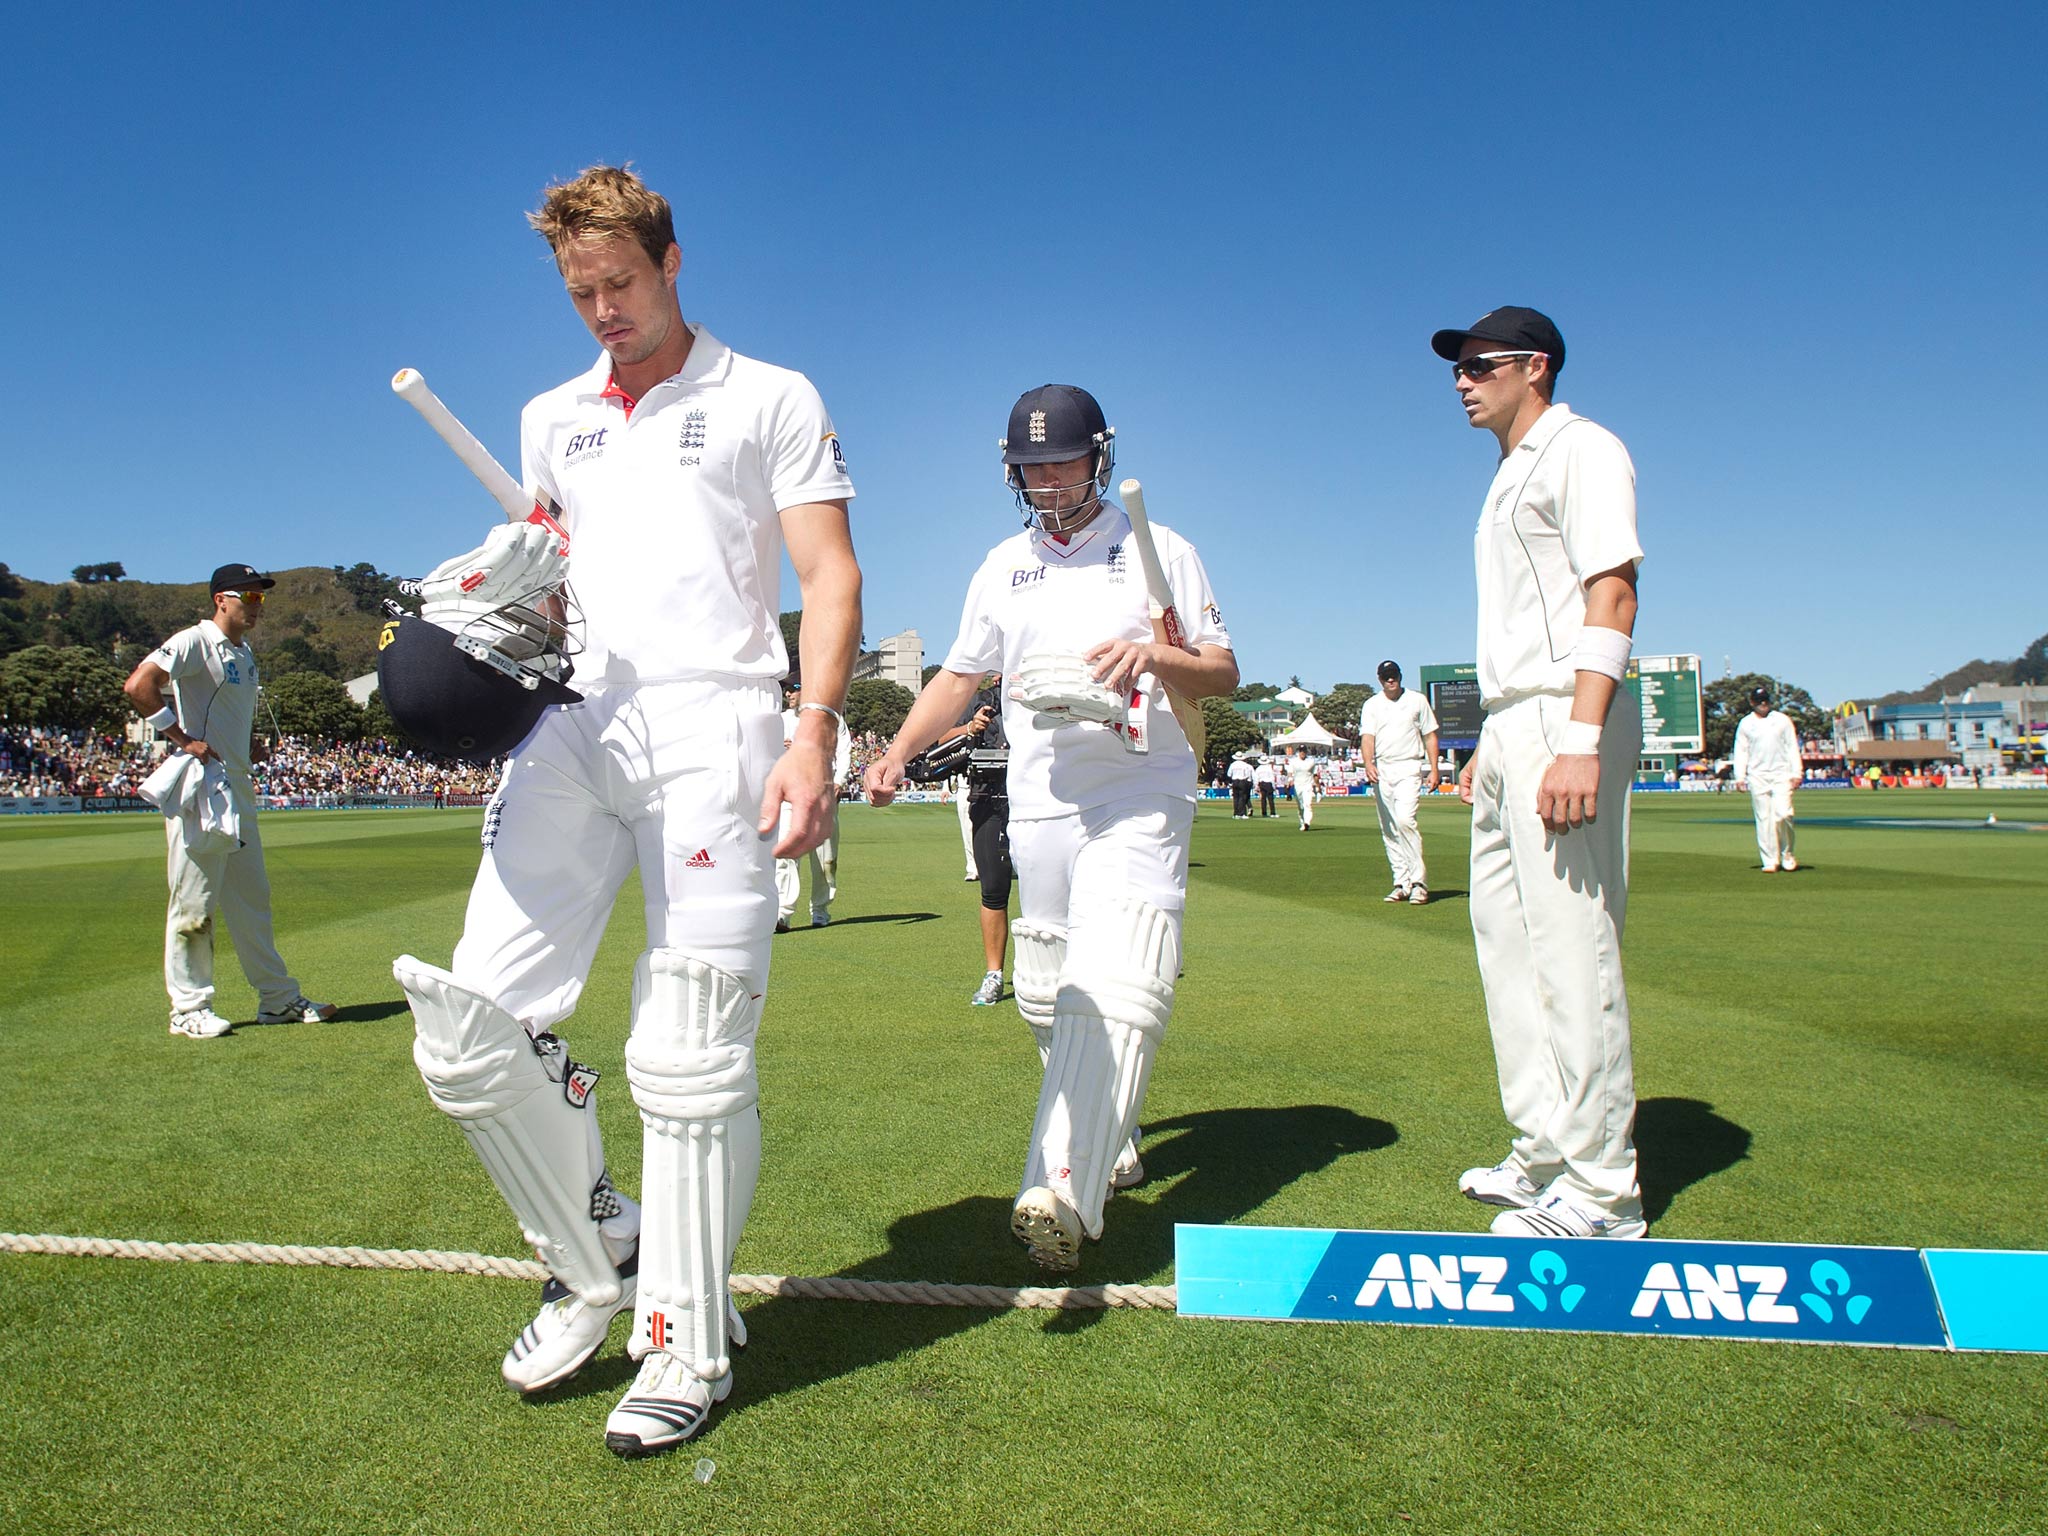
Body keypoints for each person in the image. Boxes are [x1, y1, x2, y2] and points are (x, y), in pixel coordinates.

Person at [389, 165, 861, 1457]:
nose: (604, 309)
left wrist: (813, 731)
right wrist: (492, 585)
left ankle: (683, 1343)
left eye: (623, 283)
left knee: (689, 1056)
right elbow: (546, 576)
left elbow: (828, 574)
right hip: (573, 720)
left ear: (671, 261)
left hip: (719, 722)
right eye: (581, 290)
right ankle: (594, 1255)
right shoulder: (552, 418)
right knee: (468, 1030)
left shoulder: (769, 396)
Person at [864, 384, 1237, 1271]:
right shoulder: (1001, 564)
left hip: (1141, 785)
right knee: (1042, 985)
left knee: (1119, 969)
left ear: (1099, 457)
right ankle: (1115, 1129)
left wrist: (1157, 653)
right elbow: (959, 677)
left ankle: (1065, 1186)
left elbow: (1220, 670)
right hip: (1040, 796)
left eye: (1063, 461)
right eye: (1031, 467)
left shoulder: (1158, 549)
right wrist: (898, 753)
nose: (1048, 480)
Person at [1436, 305, 1647, 1241]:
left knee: (1572, 949)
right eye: (1458, 366)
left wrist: (1580, 736)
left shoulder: (1583, 448)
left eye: (1482, 364)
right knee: (1507, 950)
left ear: (1538, 366)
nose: (1463, 379)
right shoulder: (1506, 473)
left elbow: (1614, 589)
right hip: (1513, 721)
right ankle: (1545, 1153)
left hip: (1568, 712)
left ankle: (1604, 1194)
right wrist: (1498, 730)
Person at [123, 563, 337, 1038]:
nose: (258, 605)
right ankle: (188, 1009)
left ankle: (277, 1000)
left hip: (236, 788)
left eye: (262, 598)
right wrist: (181, 738)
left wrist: (249, 748)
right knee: (194, 903)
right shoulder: (195, 640)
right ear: (222, 599)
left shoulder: (243, 655)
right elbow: (139, 686)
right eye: (250, 597)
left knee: (251, 901)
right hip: (201, 789)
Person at [1358, 659, 1442, 903]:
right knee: (1390, 828)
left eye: (1393, 675)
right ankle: (1401, 882)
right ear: (1379, 679)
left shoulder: (1416, 700)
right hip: (1383, 768)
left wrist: (1434, 769)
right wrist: (1369, 763)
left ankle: (1419, 882)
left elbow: (1430, 735)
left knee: (1405, 820)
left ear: (1400, 676)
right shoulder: (1372, 704)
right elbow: (1367, 737)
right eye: (1386, 677)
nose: (1390, 680)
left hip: (1409, 765)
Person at [775, 682, 852, 929]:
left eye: (794, 688)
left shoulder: (832, 718)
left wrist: (839, 780)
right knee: (786, 854)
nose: (788, 693)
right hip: (791, 794)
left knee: (825, 858)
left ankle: (820, 910)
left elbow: (844, 751)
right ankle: (783, 913)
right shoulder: (780, 720)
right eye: (786, 689)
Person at [1733, 685, 1800, 872]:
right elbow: (1741, 751)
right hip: (1758, 775)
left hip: (1781, 773)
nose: (1763, 705)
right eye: (1759, 702)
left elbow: (1792, 747)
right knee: (1764, 819)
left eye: (1766, 701)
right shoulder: (1746, 723)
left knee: (1784, 814)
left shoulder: (1782, 720)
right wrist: (1740, 776)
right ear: (1752, 703)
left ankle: (1787, 854)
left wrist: (1797, 773)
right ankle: (1770, 860)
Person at [1286, 748, 1319, 829]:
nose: (1302, 753)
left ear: (1306, 752)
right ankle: (1302, 822)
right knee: (1300, 806)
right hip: (1297, 786)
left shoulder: (1311, 761)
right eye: (1301, 751)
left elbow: (1315, 775)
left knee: (1307, 804)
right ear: (1298, 752)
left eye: (1304, 751)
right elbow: (1290, 772)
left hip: (1308, 785)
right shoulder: (1293, 761)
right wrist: (1290, 780)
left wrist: (1318, 788)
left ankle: (1307, 822)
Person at [1227, 750, 1254, 818]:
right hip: (1242, 781)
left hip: (1235, 781)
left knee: (1236, 798)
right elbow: (1247, 775)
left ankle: (1236, 814)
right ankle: (1242, 813)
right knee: (1242, 797)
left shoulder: (1232, 765)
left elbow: (1229, 774)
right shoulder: (1245, 765)